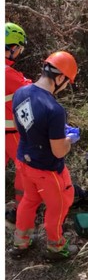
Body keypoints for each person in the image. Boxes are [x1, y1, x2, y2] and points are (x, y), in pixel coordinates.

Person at [10, 51, 80, 261]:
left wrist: (52, 131)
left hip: (24, 161)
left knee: (29, 201)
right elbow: (58, 151)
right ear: (60, 78)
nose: (66, 87)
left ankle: (21, 243)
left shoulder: (21, 92)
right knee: (58, 206)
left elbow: (19, 126)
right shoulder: (54, 109)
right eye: (67, 82)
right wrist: (69, 139)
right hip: (47, 170)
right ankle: (56, 248)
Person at [5, 23, 32, 210]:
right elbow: (29, 90)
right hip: (11, 133)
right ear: (12, 47)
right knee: (25, 171)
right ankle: (20, 209)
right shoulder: (8, 73)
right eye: (19, 48)